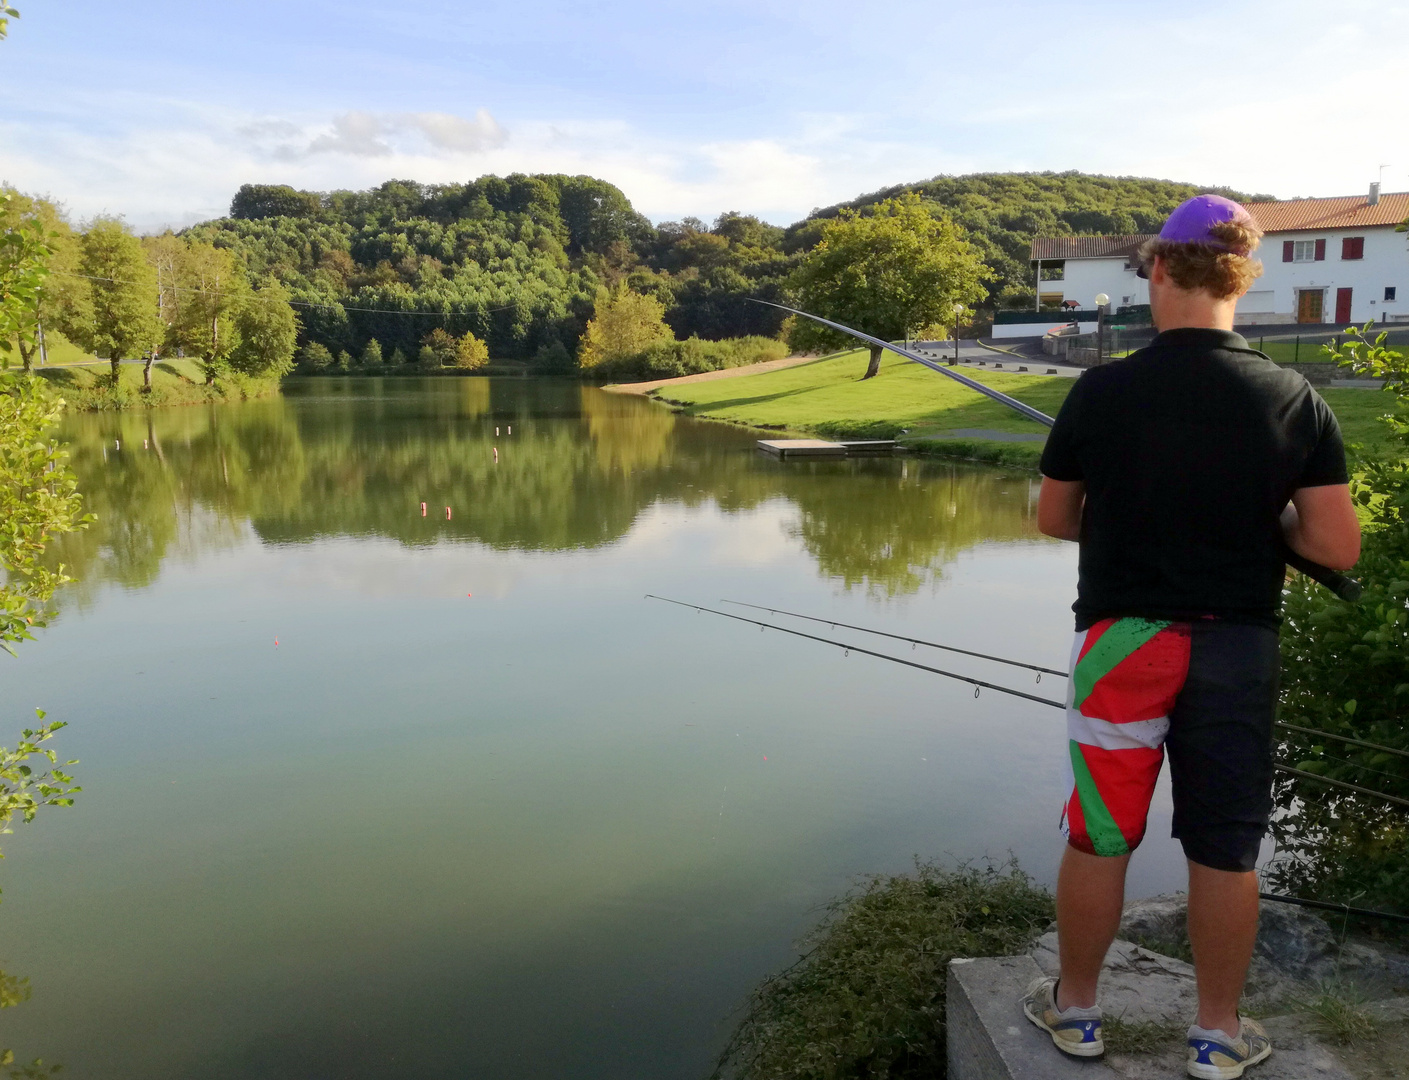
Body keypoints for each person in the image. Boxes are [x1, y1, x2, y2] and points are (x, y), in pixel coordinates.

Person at [1019, 194, 1361, 1079]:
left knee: (1099, 832)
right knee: (1224, 844)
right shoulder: (1292, 394)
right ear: (1240, 278)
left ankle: (1078, 1012)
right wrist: (1266, 521)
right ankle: (1215, 1035)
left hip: (1122, 644)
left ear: (1160, 269)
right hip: (1235, 650)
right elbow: (1332, 544)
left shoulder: (1103, 389)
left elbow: (1055, 519)